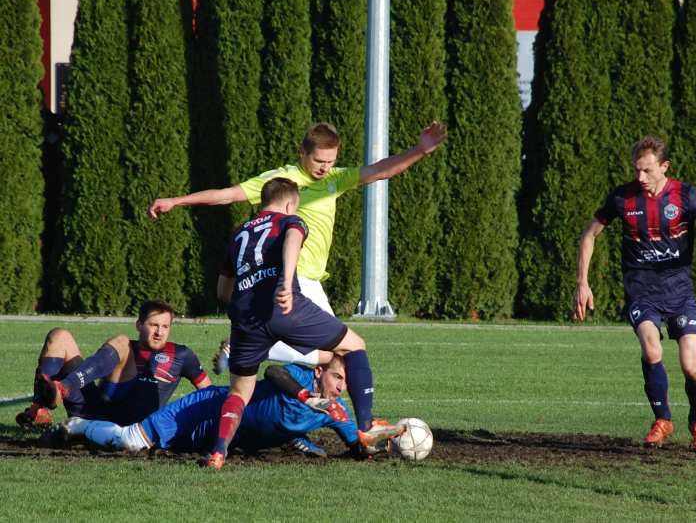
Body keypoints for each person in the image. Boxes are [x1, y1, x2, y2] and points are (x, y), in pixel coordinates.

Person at [148, 121, 446, 372]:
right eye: (319, 161)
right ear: (302, 152)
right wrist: (177, 201)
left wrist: (419, 150)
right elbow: (227, 195)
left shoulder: (336, 179)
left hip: (310, 278)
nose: (325, 168)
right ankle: (259, 354)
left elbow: (381, 170)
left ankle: (264, 361)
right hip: (292, 277)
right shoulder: (282, 180)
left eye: (330, 161)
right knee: (342, 352)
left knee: (332, 358)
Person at [205, 177, 401, 469]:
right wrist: (284, 281)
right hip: (285, 306)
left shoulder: (238, 235)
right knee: (354, 346)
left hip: (245, 317)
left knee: (238, 393)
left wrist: (245, 307)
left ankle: (218, 453)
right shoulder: (289, 221)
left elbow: (223, 292)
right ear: (289, 203)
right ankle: (366, 425)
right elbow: (293, 240)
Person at [571, 136, 696, 454]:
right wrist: (582, 282)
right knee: (651, 348)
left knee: (691, 365)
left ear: (664, 167)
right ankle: (663, 420)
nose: (640, 177)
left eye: (646, 171)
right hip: (641, 289)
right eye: (636, 170)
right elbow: (589, 234)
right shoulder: (622, 198)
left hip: (679, 291)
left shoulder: (685, 195)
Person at [62, 357, 373, 459]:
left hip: (220, 439)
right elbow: (272, 373)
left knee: (154, 449)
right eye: (337, 376)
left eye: (346, 381)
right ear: (320, 372)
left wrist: (391, 439)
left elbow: (358, 446)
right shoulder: (301, 375)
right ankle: (78, 425)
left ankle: (288, 438)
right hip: (211, 408)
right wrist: (306, 396)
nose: (341, 386)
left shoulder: (338, 409)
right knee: (130, 441)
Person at [18, 300, 212, 429]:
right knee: (59, 336)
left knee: (121, 341)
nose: (159, 332)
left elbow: (210, 394)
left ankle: (64, 387)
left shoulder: (182, 354)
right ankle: (39, 410)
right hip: (93, 409)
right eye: (153, 325)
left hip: (130, 425)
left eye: (165, 326)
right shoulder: (127, 347)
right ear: (139, 325)